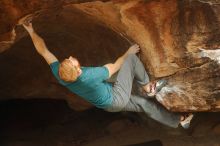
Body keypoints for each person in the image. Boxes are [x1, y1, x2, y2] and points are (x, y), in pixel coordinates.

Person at [19, 15, 193, 129]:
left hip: (107, 104)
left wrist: (31, 30)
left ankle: (180, 121)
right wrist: (129, 52)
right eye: (72, 61)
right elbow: (117, 65)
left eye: (68, 59)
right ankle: (148, 87)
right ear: (78, 71)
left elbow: (43, 51)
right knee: (130, 61)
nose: (71, 57)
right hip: (115, 96)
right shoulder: (88, 76)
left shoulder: (61, 73)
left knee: (144, 104)